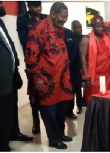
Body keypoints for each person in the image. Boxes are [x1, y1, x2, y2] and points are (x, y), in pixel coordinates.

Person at [24, 2, 73, 149]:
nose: (64, 20)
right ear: (52, 14)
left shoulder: (59, 29)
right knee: (50, 111)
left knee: (62, 108)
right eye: (62, 17)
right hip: (47, 80)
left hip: (63, 78)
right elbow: (31, 56)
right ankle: (53, 138)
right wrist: (37, 77)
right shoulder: (38, 29)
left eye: (66, 17)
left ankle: (60, 133)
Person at [16, 1, 48, 134]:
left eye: (40, 6)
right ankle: (36, 122)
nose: (39, 9)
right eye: (35, 6)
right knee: (34, 94)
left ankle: (49, 121)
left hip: (47, 61)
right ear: (29, 7)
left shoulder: (46, 18)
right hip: (33, 61)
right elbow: (24, 41)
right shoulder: (23, 19)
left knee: (48, 91)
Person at [80, 15, 110, 105]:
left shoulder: (108, 38)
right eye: (97, 26)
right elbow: (83, 58)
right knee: (94, 102)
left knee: (108, 102)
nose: (100, 28)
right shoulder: (86, 39)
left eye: (102, 26)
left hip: (108, 76)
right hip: (94, 77)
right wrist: (86, 77)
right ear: (92, 27)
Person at [0, 1, 26, 150]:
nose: (2, 5)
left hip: (11, 75)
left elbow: (9, 45)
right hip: (2, 80)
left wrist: (14, 64)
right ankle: (3, 145)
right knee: (3, 113)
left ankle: (14, 133)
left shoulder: (1, 24)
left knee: (11, 109)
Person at [66, 20, 84, 115]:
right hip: (71, 67)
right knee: (72, 90)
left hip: (81, 67)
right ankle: (70, 110)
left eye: (80, 27)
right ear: (72, 29)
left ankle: (80, 106)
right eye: (76, 28)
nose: (78, 29)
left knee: (79, 89)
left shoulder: (84, 38)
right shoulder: (70, 37)